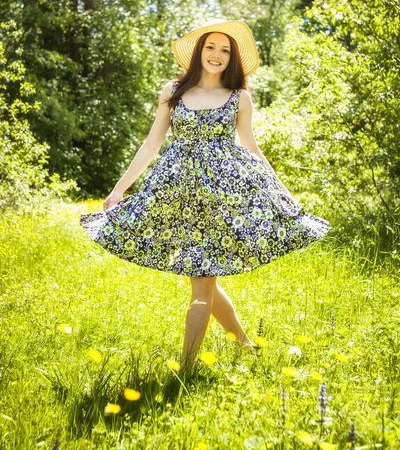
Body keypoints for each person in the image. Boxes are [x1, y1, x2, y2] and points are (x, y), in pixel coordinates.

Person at [80, 19, 330, 372]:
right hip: (178, 194)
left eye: (225, 50)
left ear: (232, 58)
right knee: (204, 277)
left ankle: (187, 368)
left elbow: (252, 149)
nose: (217, 55)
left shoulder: (239, 97)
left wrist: (283, 193)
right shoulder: (174, 92)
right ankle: (243, 345)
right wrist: (119, 189)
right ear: (199, 52)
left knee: (201, 282)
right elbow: (153, 144)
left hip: (223, 199)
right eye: (211, 47)